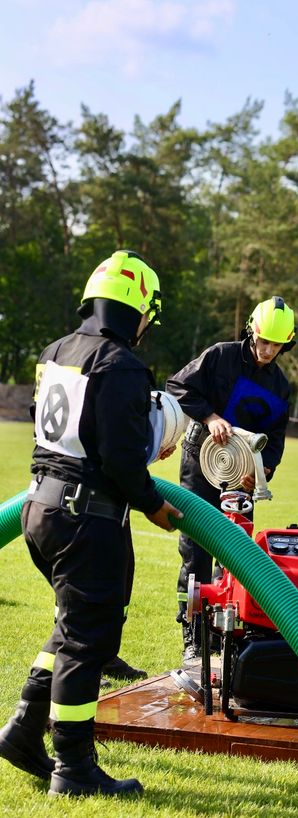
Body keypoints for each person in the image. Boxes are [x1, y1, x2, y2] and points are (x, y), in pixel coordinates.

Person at [0, 250, 181, 797]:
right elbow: (122, 459)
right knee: (87, 642)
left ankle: (24, 730)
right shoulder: (120, 364)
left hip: (41, 509)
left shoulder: (55, 351)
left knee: (72, 627)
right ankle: (74, 766)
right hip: (86, 518)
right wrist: (153, 505)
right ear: (138, 311)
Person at [166, 296, 294, 661]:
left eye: (276, 345)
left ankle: (224, 633)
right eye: (264, 341)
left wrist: (263, 471)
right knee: (195, 549)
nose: (268, 350)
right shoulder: (219, 356)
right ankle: (192, 635)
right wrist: (210, 417)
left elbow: (275, 438)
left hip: (241, 474)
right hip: (200, 461)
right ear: (252, 331)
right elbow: (177, 386)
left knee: (234, 553)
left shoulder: (280, 386)